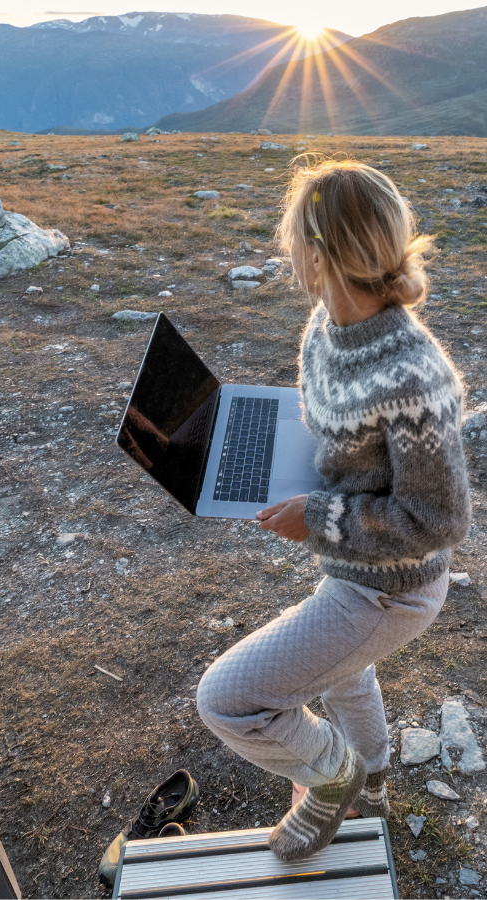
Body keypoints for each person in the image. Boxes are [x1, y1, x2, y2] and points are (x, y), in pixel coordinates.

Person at [196, 159, 471, 862]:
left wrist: (317, 517)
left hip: (391, 589)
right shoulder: (326, 326)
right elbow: (335, 417)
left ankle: (335, 775)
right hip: (357, 569)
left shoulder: (414, 374)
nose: (289, 255)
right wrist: (261, 433)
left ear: (316, 256)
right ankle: (374, 780)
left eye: (293, 242)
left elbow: (438, 521)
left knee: (226, 701)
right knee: (347, 671)